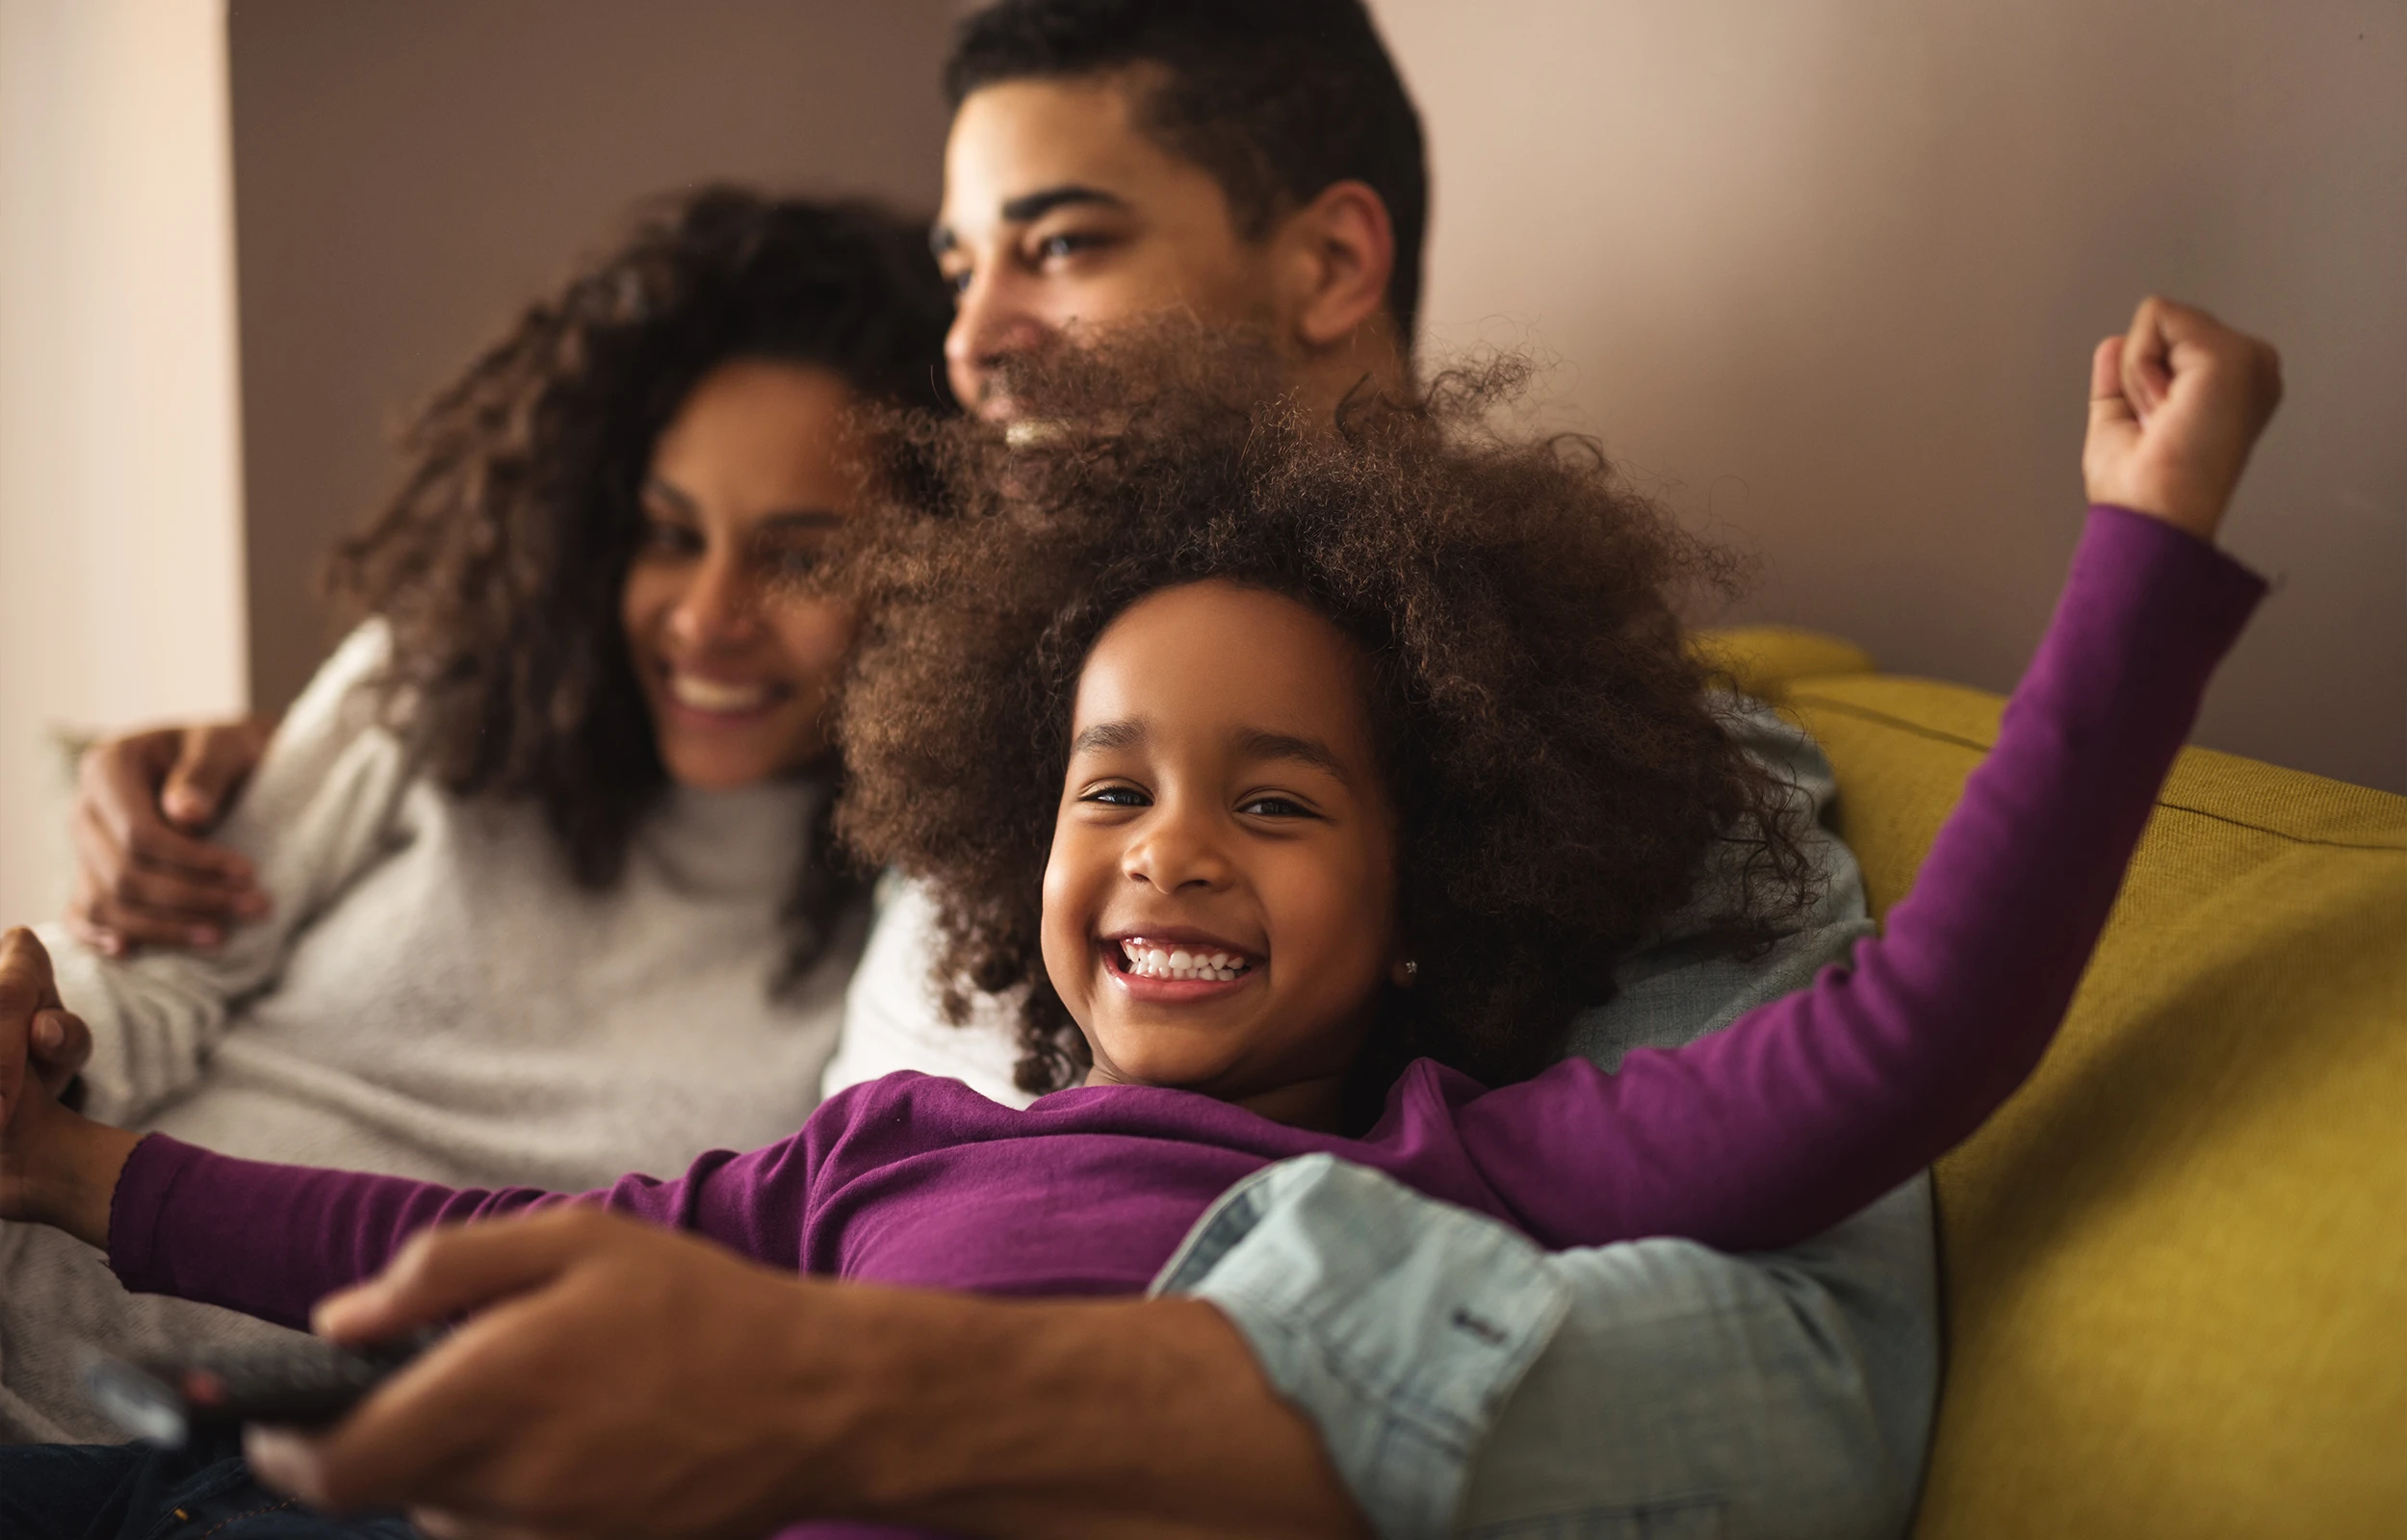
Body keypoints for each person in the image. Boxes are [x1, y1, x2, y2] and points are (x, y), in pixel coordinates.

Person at [47, 5, 1935, 1536]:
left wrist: (880, 1392)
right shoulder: (988, 716)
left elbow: (1798, 1400)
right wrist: (243, 796)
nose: (970, 339)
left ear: (1330, 259)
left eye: (1063, 242)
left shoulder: (1601, 770)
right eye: (961, 265)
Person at [0, 292, 2284, 1540]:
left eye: (1270, 801)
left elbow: (1908, 1036)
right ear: (1017, 840)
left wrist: (2141, 554)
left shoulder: (1460, 1169)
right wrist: (70, 1164)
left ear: (1426, 899)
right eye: (1110, 789)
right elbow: (451, 1248)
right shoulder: (876, 1150)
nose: (1171, 850)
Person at [0, 186, 954, 1444]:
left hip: (317, 1475)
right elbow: (150, 982)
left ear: (939, 577)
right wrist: (37, 1038)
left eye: (798, 559)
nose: (706, 616)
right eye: (667, 536)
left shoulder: (920, 936)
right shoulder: (441, 698)